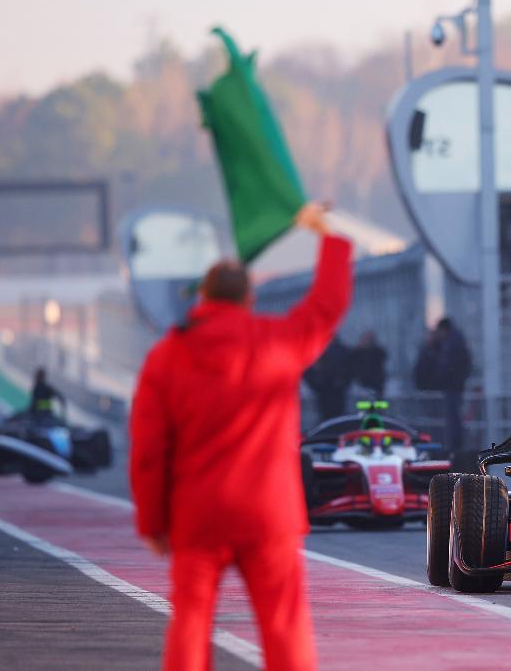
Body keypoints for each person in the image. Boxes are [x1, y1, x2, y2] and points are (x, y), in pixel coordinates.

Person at [129, 202, 352, 671]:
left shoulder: (167, 356)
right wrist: (329, 239)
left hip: (198, 515)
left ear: (202, 296)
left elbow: (148, 451)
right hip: (269, 513)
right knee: (284, 625)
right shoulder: (276, 341)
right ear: (249, 298)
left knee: (191, 622)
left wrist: (152, 523)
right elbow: (326, 306)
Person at [413, 318, 471, 467]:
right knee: (445, 423)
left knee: (446, 423)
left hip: (448, 389)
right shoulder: (451, 343)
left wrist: (441, 382)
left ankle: (449, 451)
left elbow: (446, 368)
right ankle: (448, 450)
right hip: (446, 389)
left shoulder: (450, 346)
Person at [304, 334, 351, 422]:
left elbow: (349, 370)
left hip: (335, 389)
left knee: (335, 416)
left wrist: (343, 382)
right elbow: (307, 370)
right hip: (324, 388)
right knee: (327, 415)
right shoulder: (315, 351)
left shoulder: (342, 351)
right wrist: (314, 383)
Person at [348, 330, 387, 399]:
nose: (367, 341)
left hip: (377, 383)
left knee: (379, 402)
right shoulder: (356, 352)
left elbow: (382, 358)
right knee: (363, 402)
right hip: (361, 383)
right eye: (366, 338)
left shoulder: (378, 351)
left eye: (369, 338)